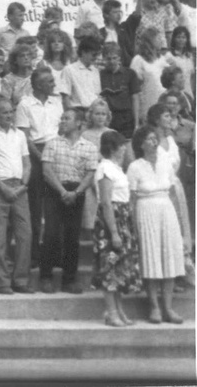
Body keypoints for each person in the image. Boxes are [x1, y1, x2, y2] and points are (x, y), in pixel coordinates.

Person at [127, 126, 186, 324]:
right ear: (141, 144)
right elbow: (131, 198)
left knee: (169, 257)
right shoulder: (135, 166)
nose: (154, 142)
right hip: (146, 212)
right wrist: (133, 224)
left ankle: (168, 308)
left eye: (155, 139)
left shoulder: (166, 163)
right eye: (149, 139)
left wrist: (178, 220)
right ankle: (154, 307)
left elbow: (173, 192)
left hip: (166, 211)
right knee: (151, 259)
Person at [39, 109, 98, 294]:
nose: (63, 121)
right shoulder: (52, 144)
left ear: (79, 123)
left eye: (67, 118)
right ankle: (46, 277)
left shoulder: (89, 147)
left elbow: (90, 173)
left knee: (72, 237)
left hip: (77, 192)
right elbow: (47, 171)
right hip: (55, 190)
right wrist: (63, 191)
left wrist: (76, 192)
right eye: (62, 118)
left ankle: (69, 279)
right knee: (51, 233)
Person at [0, 94, 34, 295]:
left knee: (25, 234)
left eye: (11, 111)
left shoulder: (19, 135)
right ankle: (2, 282)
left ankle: (20, 280)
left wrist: (22, 186)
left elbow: (27, 163)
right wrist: (4, 189)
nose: (9, 115)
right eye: (4, 112)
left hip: (19, 187)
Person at [92, 131, 143, 326]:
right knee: (109, 268)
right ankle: (111, 312)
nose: (124, 148)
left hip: (123, 218)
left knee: (120, 269)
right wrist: (113, 232)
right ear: (112, 147)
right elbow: (106, 202)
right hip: (111, 220)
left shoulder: (117, 168)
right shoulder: (105, 168)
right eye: (121, 145)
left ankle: (118, 310)